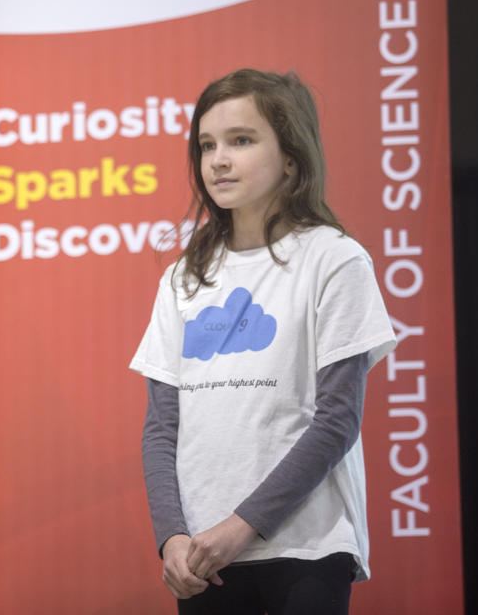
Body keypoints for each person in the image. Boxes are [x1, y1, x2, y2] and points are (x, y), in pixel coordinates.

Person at [129, 69, 397, 614]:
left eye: (241, 141)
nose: (218, 160)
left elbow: (337, 419)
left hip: (306, 548)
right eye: (207, 145)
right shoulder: (182, 277)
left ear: (292, 158)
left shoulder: (334, 259)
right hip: (205, 561)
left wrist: (241, 526)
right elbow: (162, 427)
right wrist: (173, 538)